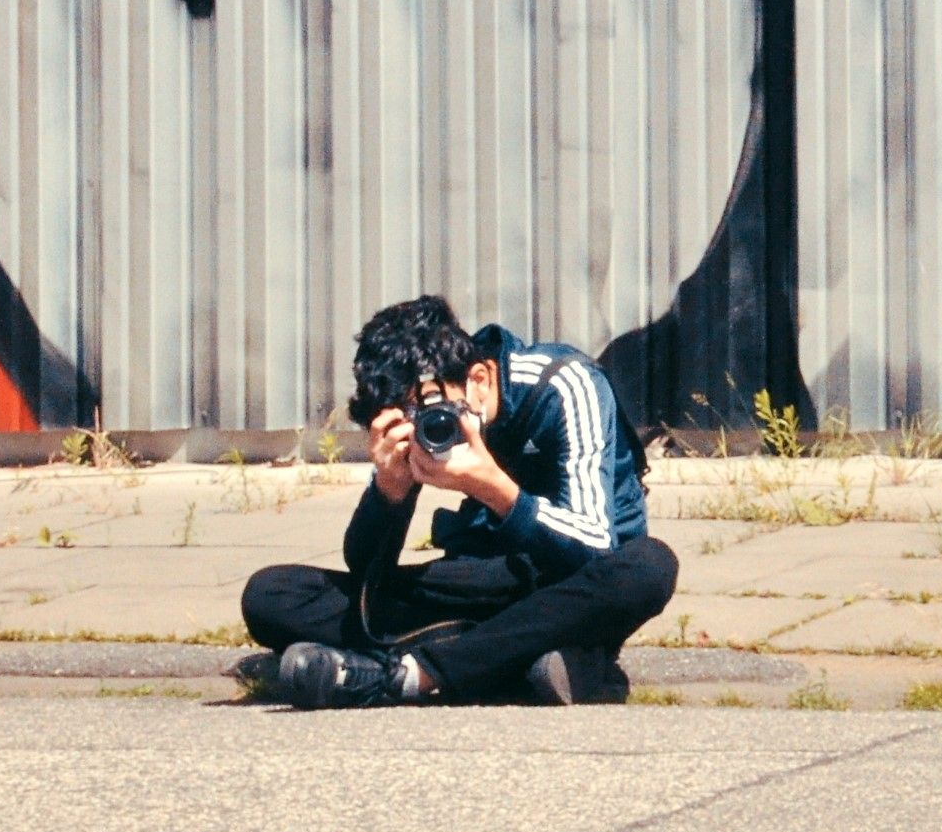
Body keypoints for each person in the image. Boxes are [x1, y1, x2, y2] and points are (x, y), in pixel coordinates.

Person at [241, 295, 677, 707]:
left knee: (648, 567)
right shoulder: (422, 429)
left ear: (479, 378)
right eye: (408, 419)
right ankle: (526, 661)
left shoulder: (562, 384)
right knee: (272, 594)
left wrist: (492, 486)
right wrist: (388, 493)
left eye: (429, 410)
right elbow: (367, 570)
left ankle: (408, 674)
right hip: (486, 583)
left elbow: (594, 546)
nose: (429, 427)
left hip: (567, 585)